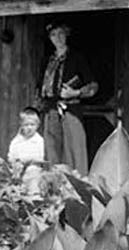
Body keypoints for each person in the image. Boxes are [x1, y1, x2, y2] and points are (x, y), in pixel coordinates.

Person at [38, 23, 99, 173]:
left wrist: (75, 93)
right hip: (50, 110)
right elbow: (39, 88)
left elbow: (93, 86)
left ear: (66, 34)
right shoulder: (47, 60)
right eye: (53, 35)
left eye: (60, 33)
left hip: (71, 109)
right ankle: (54, 189)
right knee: (51, 150)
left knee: (75, 150)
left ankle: (77, 188)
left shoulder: (77, 58)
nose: (57, 38)